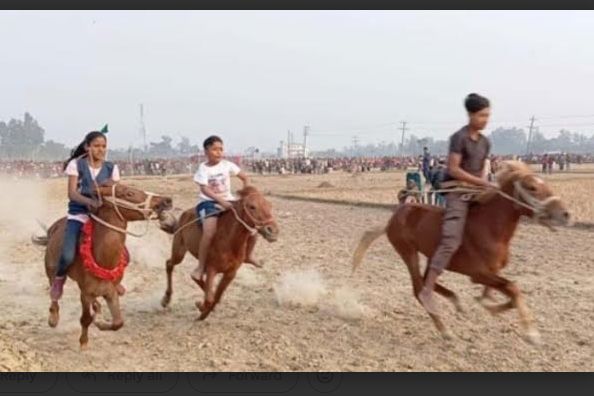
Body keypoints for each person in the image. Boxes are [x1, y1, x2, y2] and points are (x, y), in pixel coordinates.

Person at [417, 93, 495, 315]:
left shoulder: (485, 142)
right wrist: (480, 182)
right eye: (482, 115)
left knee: (491, 229)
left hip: (476, 190)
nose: (486, 119)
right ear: (471, 115)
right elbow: (453, 168)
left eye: (488, 115)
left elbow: (483, 166)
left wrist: (485, 184)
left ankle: (488, 287)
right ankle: (428, 288)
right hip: (457, 192)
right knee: (451, 238)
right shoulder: (458, 138)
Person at [49, 130, 122, 302]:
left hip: (102, 218)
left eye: (104, 146)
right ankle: (59, 279)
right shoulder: (76, 164)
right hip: (79, 215)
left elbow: (114, 193)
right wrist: (89, 202)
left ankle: (115, 280)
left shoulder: (112, 168)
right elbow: (72, 193)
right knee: (67, 254)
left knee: (123, 254)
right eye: (96, 146)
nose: (100, 150)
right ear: (87, 147)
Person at [190, 135, 257, 283]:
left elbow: (245, 178)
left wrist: (245, 195)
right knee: (209, 232)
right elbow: (205, 189)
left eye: (221, 149)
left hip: (229, 200)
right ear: (206, 151)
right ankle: (201, 267)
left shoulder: (227, 165)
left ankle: (249, 255)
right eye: (215, 149)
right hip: (208, 203)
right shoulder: (203, 168)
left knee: (253, 225)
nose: (219, 152)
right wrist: (220, 201)